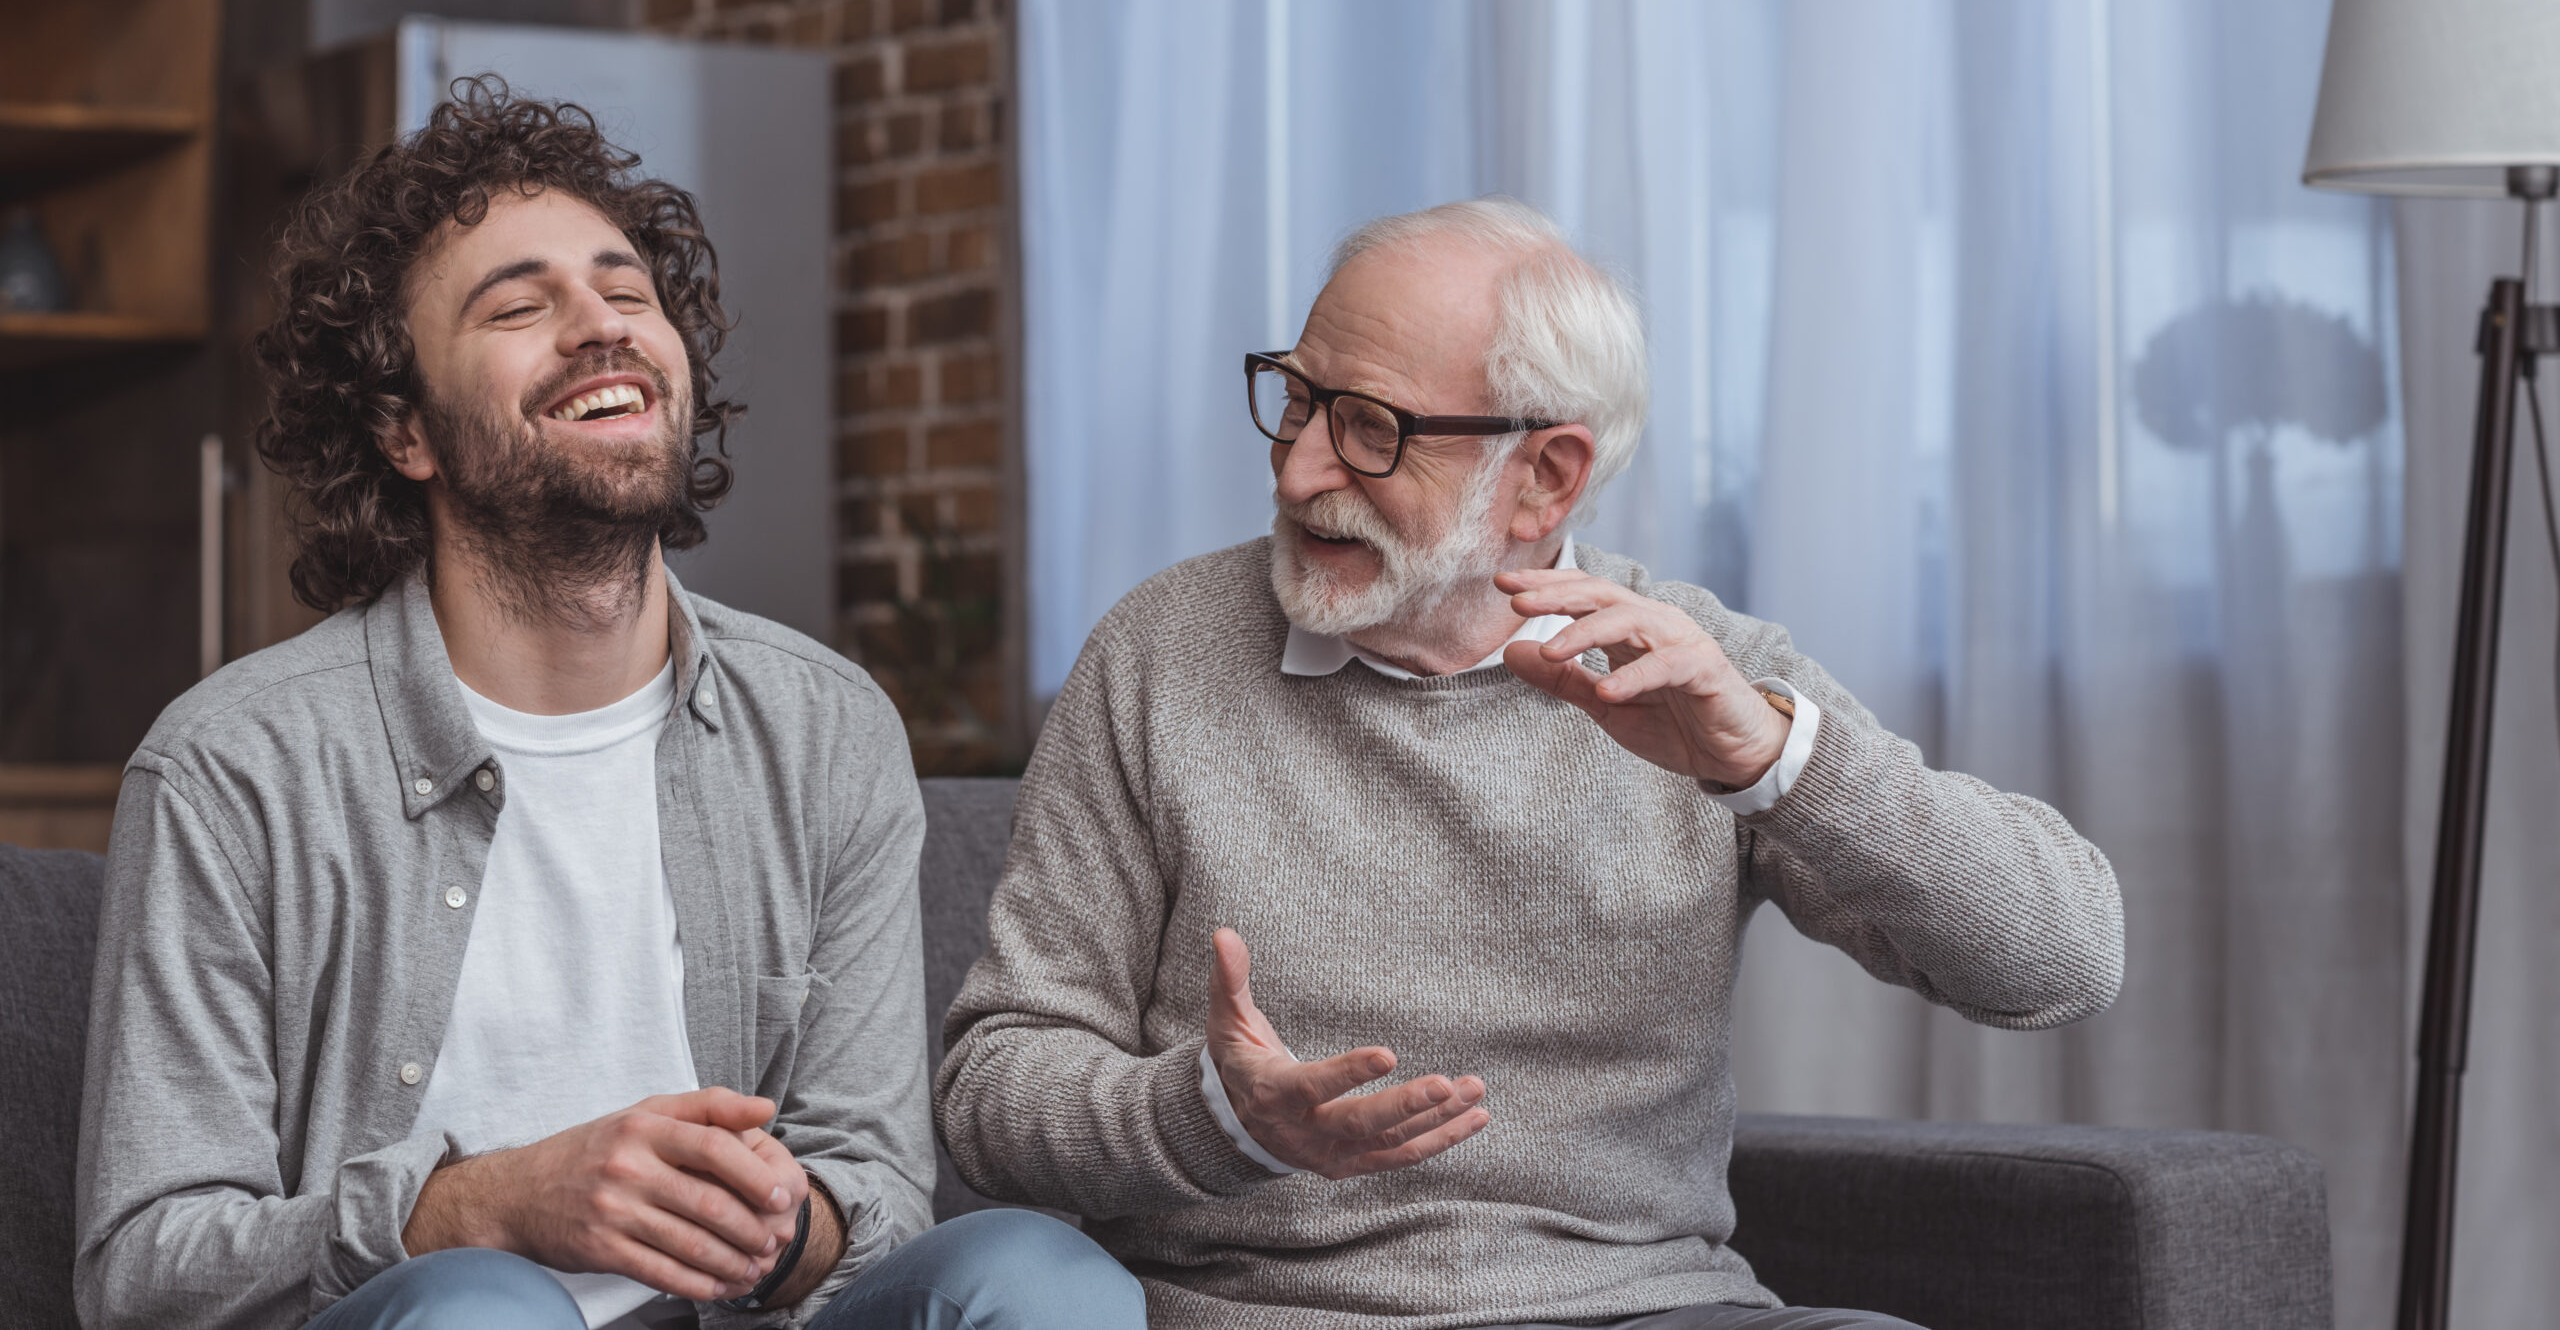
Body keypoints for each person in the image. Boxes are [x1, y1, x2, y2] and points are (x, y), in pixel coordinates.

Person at [935, 199, 2125, 1330]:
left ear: (1545, 476)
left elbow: (2059, 961)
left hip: (1634, 1306)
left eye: (1369, 427)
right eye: (1296, 401)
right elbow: (991, 1092)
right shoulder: (1160, 653)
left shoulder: (1698, 675)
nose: (1299, 470)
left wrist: (1773, 762)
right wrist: (1212, 1115)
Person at [75, 84, 1141, 1330]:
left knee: (1039, 1275)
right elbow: (141, 1265)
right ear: (403, 428)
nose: (602, 327)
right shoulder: (233, 766)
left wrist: (783, 1220)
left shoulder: (824, 727)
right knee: (485, 1308)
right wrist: (478, 1208)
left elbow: (880, 1192)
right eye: (520, 306)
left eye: (627, 292)